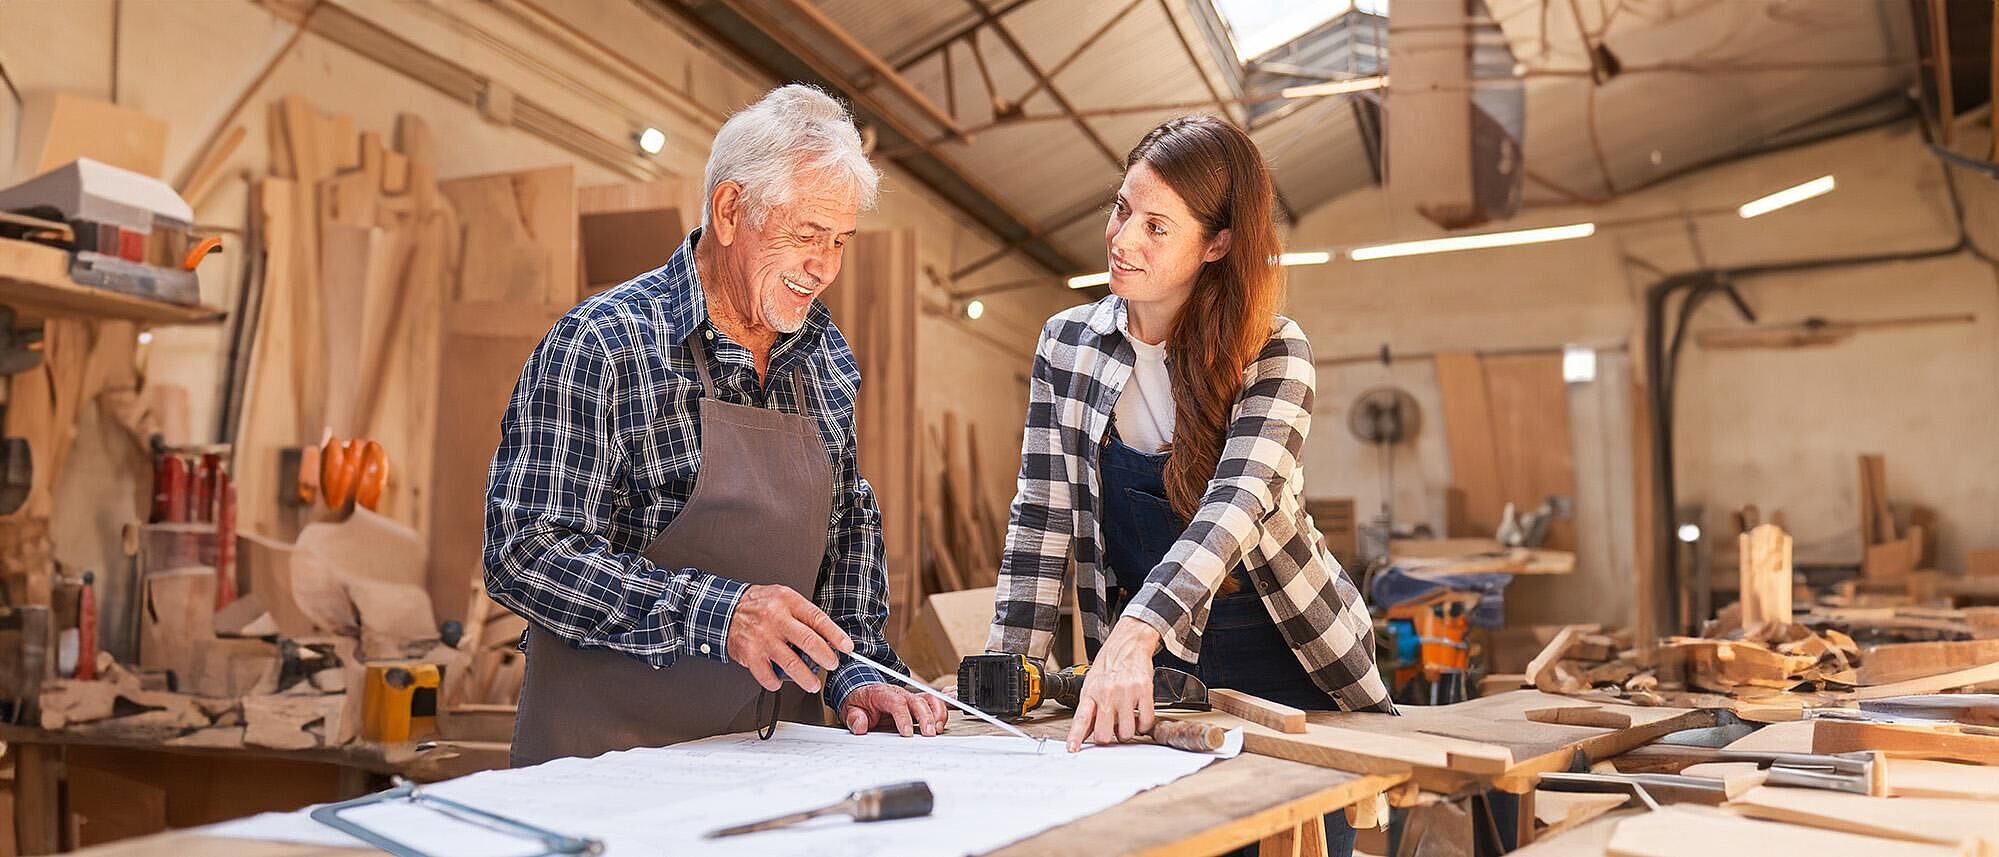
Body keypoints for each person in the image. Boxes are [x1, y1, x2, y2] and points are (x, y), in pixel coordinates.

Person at [485, 84, 945, 767]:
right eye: (807, 234)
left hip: (768, 760)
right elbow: (525, 551)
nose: (825, 267)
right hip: (605, 764)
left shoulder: (822, 359)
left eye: (840, 241)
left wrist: (858, 669)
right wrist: (720, 614)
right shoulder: (605, 343)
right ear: (730, 211)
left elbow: (847, 526)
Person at [984, 115, 1396, 854]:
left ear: (1217, 244)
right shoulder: (1066, 344)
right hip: (1155, 664)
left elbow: (1230, 509)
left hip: (1282, 648)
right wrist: (1000, 686)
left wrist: (1131, 638)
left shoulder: (1272, 350)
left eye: (1154, 226)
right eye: (1119, 210)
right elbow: (1042, 516)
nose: (1121, 240)